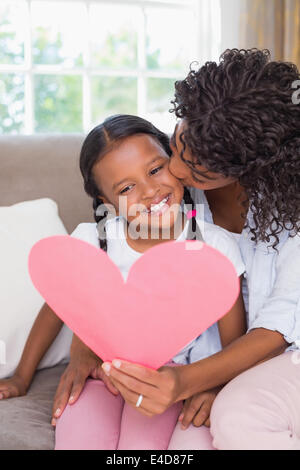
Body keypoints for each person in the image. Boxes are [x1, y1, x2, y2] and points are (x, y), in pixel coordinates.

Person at [94, 49, 300, 450]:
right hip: (225, 358)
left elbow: (279, 324)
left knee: (238, 415)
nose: (175, 171)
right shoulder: (170, 197)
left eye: (199, 170)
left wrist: (200, 379)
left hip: (287, 354)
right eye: (176, 146)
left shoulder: (290, 212)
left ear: (249, 169)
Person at [0, 114, 246, 450]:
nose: (149, 192)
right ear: (108, 204)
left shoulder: (215, 247)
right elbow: (57, 307)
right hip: (103, 374)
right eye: (126, 188)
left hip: (171, 380)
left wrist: (214, 385)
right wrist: (21, 377)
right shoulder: (93, 240)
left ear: (175, 162)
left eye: (155, 169)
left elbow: (235, 342)